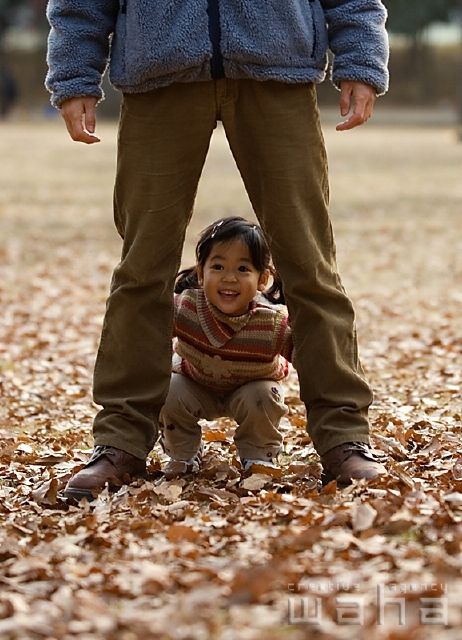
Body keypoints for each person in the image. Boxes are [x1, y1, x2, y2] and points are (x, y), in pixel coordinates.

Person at [45, 0, 389, 501]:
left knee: (309, 268)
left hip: (278, 67)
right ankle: (120, 441)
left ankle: (343, 440)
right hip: (159, 72)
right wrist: (75, 75)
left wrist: (359, 59)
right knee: (142, 272)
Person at [160, 216, 293, 480]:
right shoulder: (184, 308)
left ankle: (259, 455)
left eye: (243, 269)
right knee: (168, 388)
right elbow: (149, 334)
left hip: (250, 389)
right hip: (195, 384)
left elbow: (308, 357)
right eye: (218, 266)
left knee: (266, 394)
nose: (229, 278)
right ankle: (182, 454)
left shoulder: (272, 323)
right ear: (201, 273)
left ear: (262, 279)